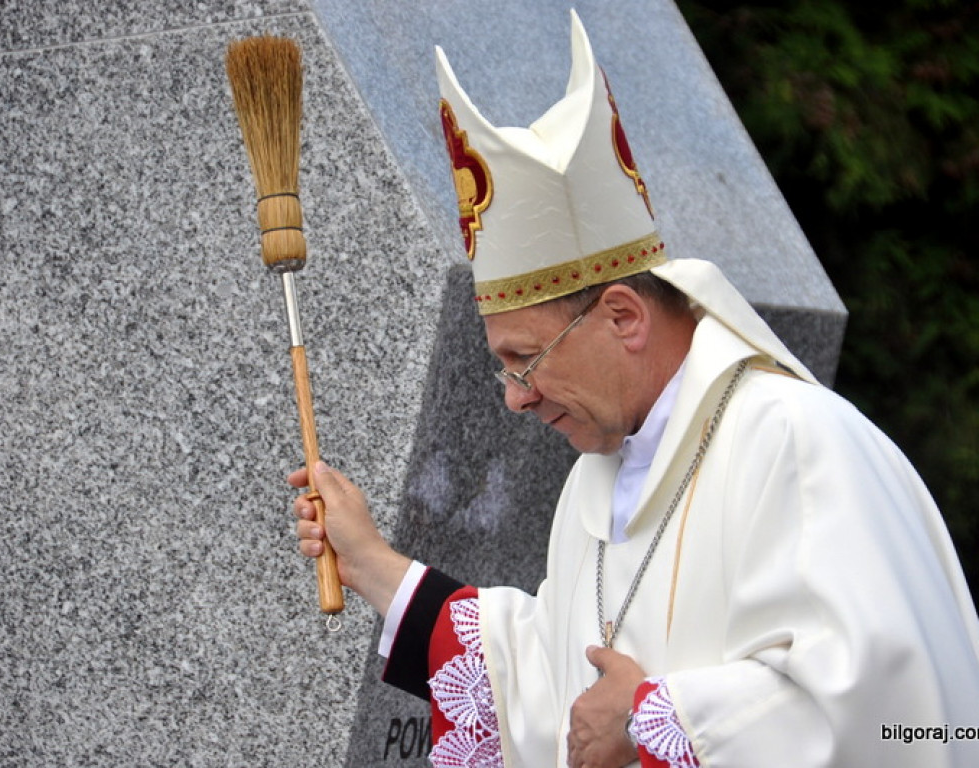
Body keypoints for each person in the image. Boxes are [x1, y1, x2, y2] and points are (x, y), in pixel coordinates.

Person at [290, 11, 979, 768]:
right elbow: (549, 691)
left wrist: (655, 720)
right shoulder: (598, 482)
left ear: (622, 315)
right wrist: (371, 565)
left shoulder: (798, 444)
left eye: (525, 359)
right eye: (503, 367)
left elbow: (902, 720)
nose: (516, 397)